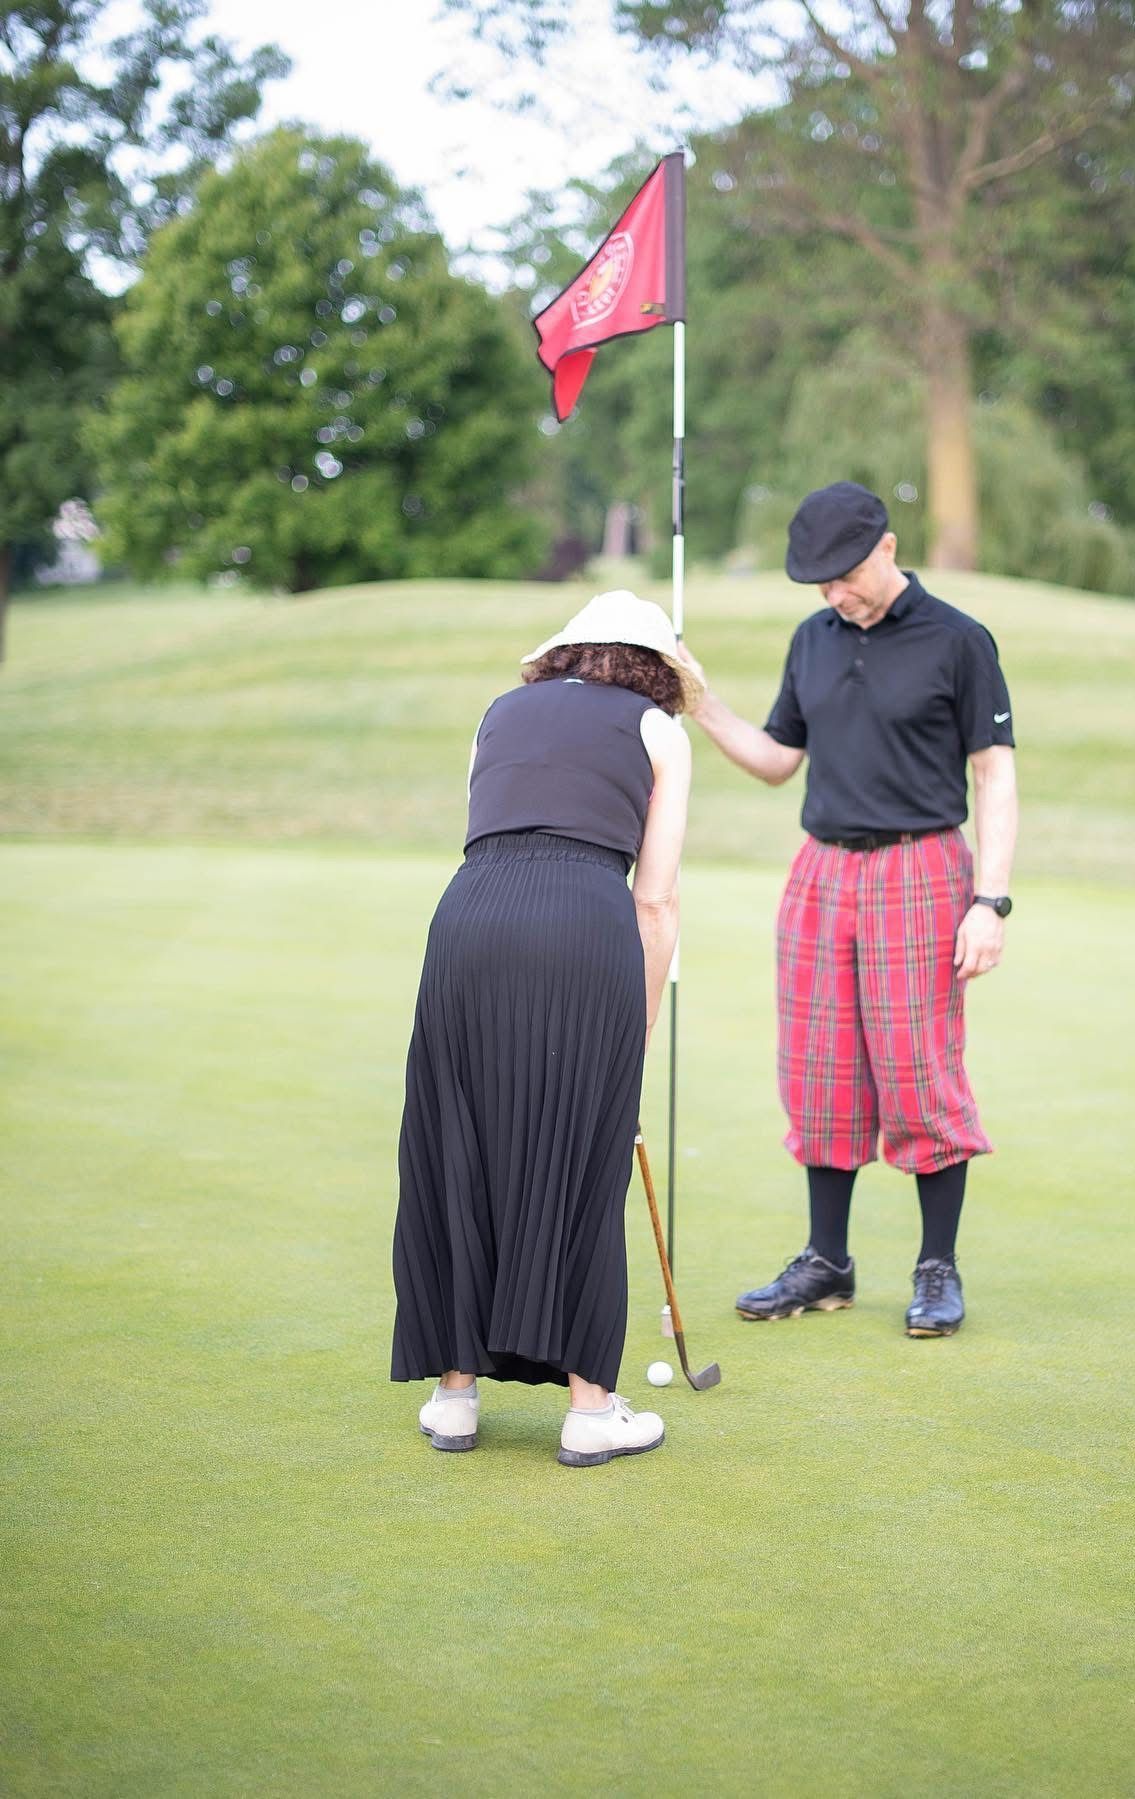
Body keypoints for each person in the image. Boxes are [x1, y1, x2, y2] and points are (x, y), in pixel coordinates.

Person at [679, 482, 1017, 1337]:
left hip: (922, 869)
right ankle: (826, 1262)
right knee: (820, 1070)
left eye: (844, 575)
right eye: (819, 581)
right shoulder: (813, 640)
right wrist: (702, 704)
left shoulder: (959, 640)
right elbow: (776, 759)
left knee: (916, 1070)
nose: (834, 593)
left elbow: (994, 775)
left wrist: (991, 902)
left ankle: (937, 1266)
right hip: (821, 872)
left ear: (889, 548)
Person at [390, 590, 697, 1467]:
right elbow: (658, 897)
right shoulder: (658, 731)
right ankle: (592, 1412)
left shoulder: (499, 712)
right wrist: (631, 1036)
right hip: (580, 917)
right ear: (653, 667)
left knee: (459, 1145)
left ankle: (454, 1396)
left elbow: (483, 832)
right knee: (578, 1153)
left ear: (564, 654)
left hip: (467, 916)